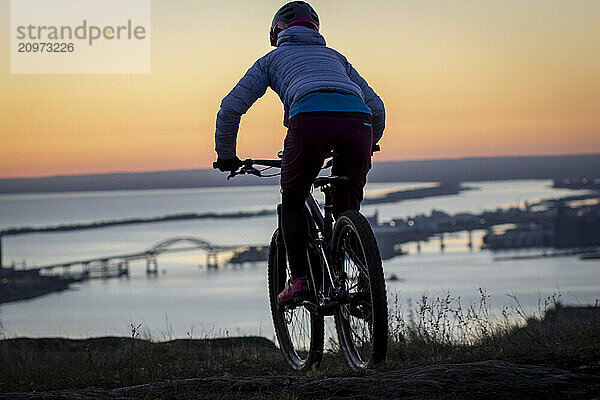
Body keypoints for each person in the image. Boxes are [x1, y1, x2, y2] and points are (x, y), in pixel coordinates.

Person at [214, 1, 385, 305]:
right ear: (315, 30)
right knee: (348, 203)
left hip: (308, 121)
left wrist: (226, 155)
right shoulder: (336, 58)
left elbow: (230, 108)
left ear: (276, 32)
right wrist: (370, 142)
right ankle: (364, 283)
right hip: (359, 122)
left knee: (293, 197)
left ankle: (301, 281)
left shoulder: (271, 60)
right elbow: (377, 107)